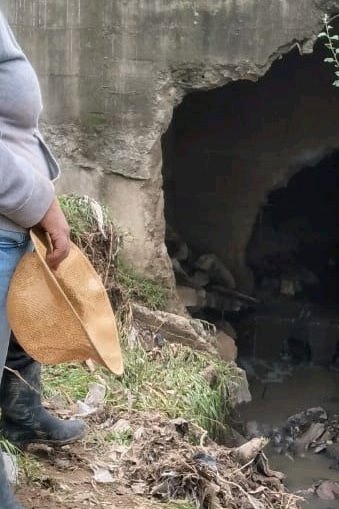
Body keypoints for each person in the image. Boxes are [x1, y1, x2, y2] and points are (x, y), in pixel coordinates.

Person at [0, 9, 80, 508]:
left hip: (12, 209)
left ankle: (22, 414)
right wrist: (39, 200)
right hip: (11, 201)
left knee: (20, 323)